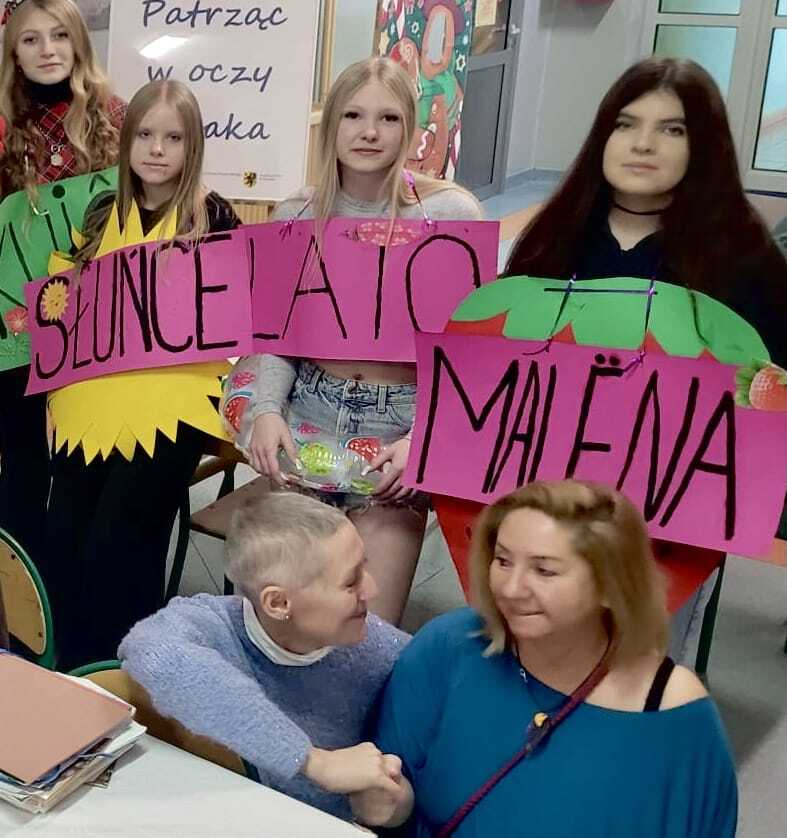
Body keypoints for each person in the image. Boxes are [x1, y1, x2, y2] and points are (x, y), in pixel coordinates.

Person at [476, 57, 787, 663]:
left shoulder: (744, 258)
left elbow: (769, 396)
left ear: (704, 146)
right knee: (532, 657)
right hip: (548, 503)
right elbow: (494, 373)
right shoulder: (553, 239)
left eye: (672, 129)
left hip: (670, 521)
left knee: (631, 670)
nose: (644, 143)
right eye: (626, 124)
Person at [227, 56, 483, 625]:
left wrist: (425, 439)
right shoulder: (296, 213)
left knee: (369, 626)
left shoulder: (449, 214)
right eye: (353, 115)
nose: (369, 132)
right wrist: (266, 411)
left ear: (410, 128)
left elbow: (468, 355)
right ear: (332, 124)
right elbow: (279, 334)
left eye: (388, 118)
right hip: (310, 409)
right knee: (285, 615)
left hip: (399, 426)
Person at [353, 480, 737, 836]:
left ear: (612, 586)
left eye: (544, 570)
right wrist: (389, 805)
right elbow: (391, 801)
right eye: (503, 560)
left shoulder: (672, 714)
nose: (511, 588)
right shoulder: (448, 647)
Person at [41, 79, 239, 670]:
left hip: (172, 409)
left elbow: (232, 325)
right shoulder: (102, 214)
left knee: (120, 540)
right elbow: (69, 312)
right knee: (65, 533)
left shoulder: (213, 217)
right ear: (126, 141)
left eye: (173, 138)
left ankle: (124, 669)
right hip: (92, 405)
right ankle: (70, 667)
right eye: (145, 135)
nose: (156, 149)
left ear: (192, 146)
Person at [120, 491, 408, 822]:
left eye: (364, 568)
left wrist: (393, 802)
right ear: (278, 603)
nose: (372, 589)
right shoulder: (211, 624)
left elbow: (404, 797)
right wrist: (314, 762)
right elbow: (149, 650)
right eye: (351, 581)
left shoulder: (379, 650)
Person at [0, 0, 125, 564]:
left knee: (84, 461)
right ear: (13, 52)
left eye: (59, 35)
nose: (47, 50)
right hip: (16, 323)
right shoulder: (4, 126)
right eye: (31, 39)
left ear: (79, 43)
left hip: (97, 322)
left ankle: (72, 583)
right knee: (23, 462)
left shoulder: (116, 118)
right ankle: (23, 592)